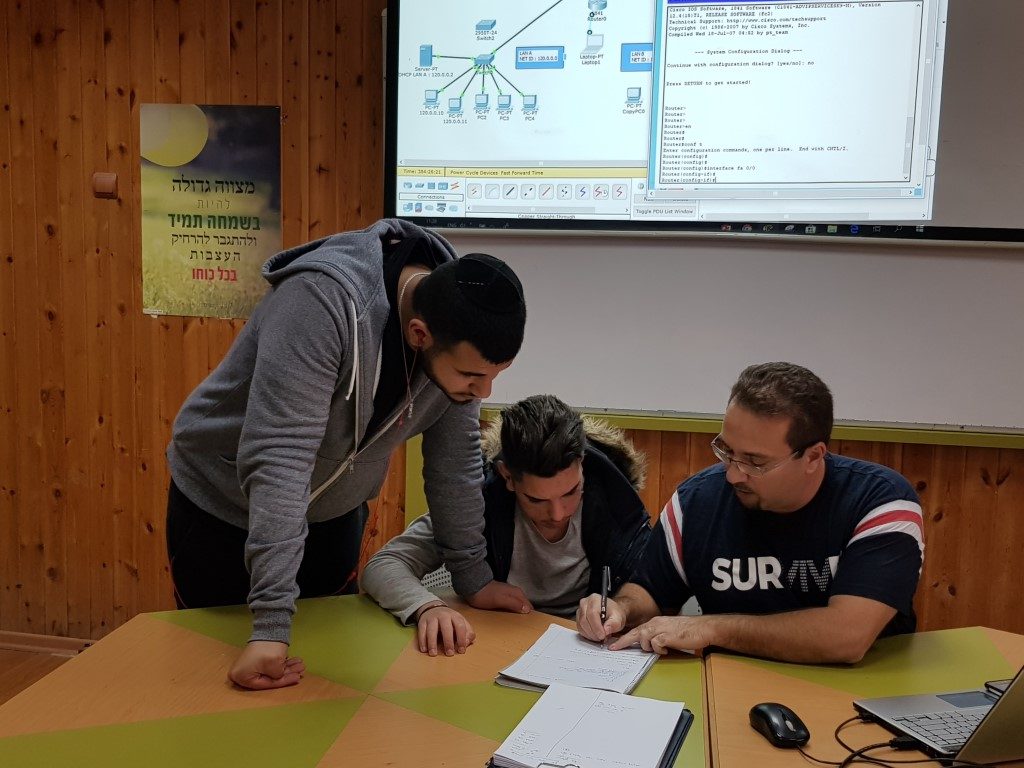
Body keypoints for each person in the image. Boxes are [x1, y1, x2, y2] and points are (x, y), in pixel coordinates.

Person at [165, 218, 527, 689]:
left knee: (325, 673)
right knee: (211, 677)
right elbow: (280, 461)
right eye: (473, 377)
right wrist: (271, 625)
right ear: (420, 334)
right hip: (224, 506)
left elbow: (455, 465)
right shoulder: (321, 301)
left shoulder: (460, 321)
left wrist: (473, 579)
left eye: (495, 376)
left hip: (333, 514)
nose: (483, 391)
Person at [577, 362, 925, 665]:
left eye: (755, 462)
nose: (733, 475)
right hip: (730, 686)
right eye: (726, 451)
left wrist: (712, 628)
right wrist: (621, 609)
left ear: (813, 457)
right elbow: (651, 591)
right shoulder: (695, 501)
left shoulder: (880, 503)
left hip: (859, 691)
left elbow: (846, 638)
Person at [361, 394, 652, 657]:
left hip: (586, 652)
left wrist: (622, 607)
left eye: (571, 492)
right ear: (507, 476)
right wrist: (428, 607)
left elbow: (654, 590)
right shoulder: (477, 504)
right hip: (494, 647)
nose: (558, 514)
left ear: (582, 465)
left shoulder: (617, 504)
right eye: (536, 499)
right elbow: (384, 565)